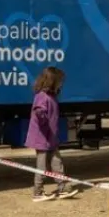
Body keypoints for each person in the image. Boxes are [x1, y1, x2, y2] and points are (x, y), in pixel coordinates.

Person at [26, 67, 78, 202]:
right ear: (52, 82)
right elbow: (39, 111)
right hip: (42, 138)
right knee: (42, 166)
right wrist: (41, 116)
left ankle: (62, 188)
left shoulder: (52, 97)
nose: (61, 84)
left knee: (57, 162)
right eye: (60, 81)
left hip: (51, 138)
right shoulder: (42, 97)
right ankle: (38, 192)